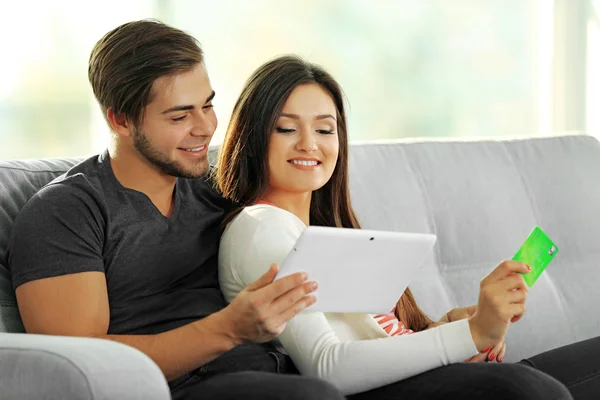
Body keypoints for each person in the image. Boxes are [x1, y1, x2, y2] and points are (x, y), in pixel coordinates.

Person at [216, 54, 600, 399]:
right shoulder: (262, 228)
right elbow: (328, 365)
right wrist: (470, 334)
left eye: (324, 129)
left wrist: (454, 326)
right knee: (532, 390)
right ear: (252, 139)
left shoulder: (326, 232)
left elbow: (377, 340)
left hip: (433, 377)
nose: (309, 144)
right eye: (286, 129)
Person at [6, 20, 346, 400]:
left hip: (281, 373)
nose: (205, 128)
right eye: (180, 116)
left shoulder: (217, 190)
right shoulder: (66, 213)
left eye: (208, 105)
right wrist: (228, 329)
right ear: (120, 119)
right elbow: (78, 366)